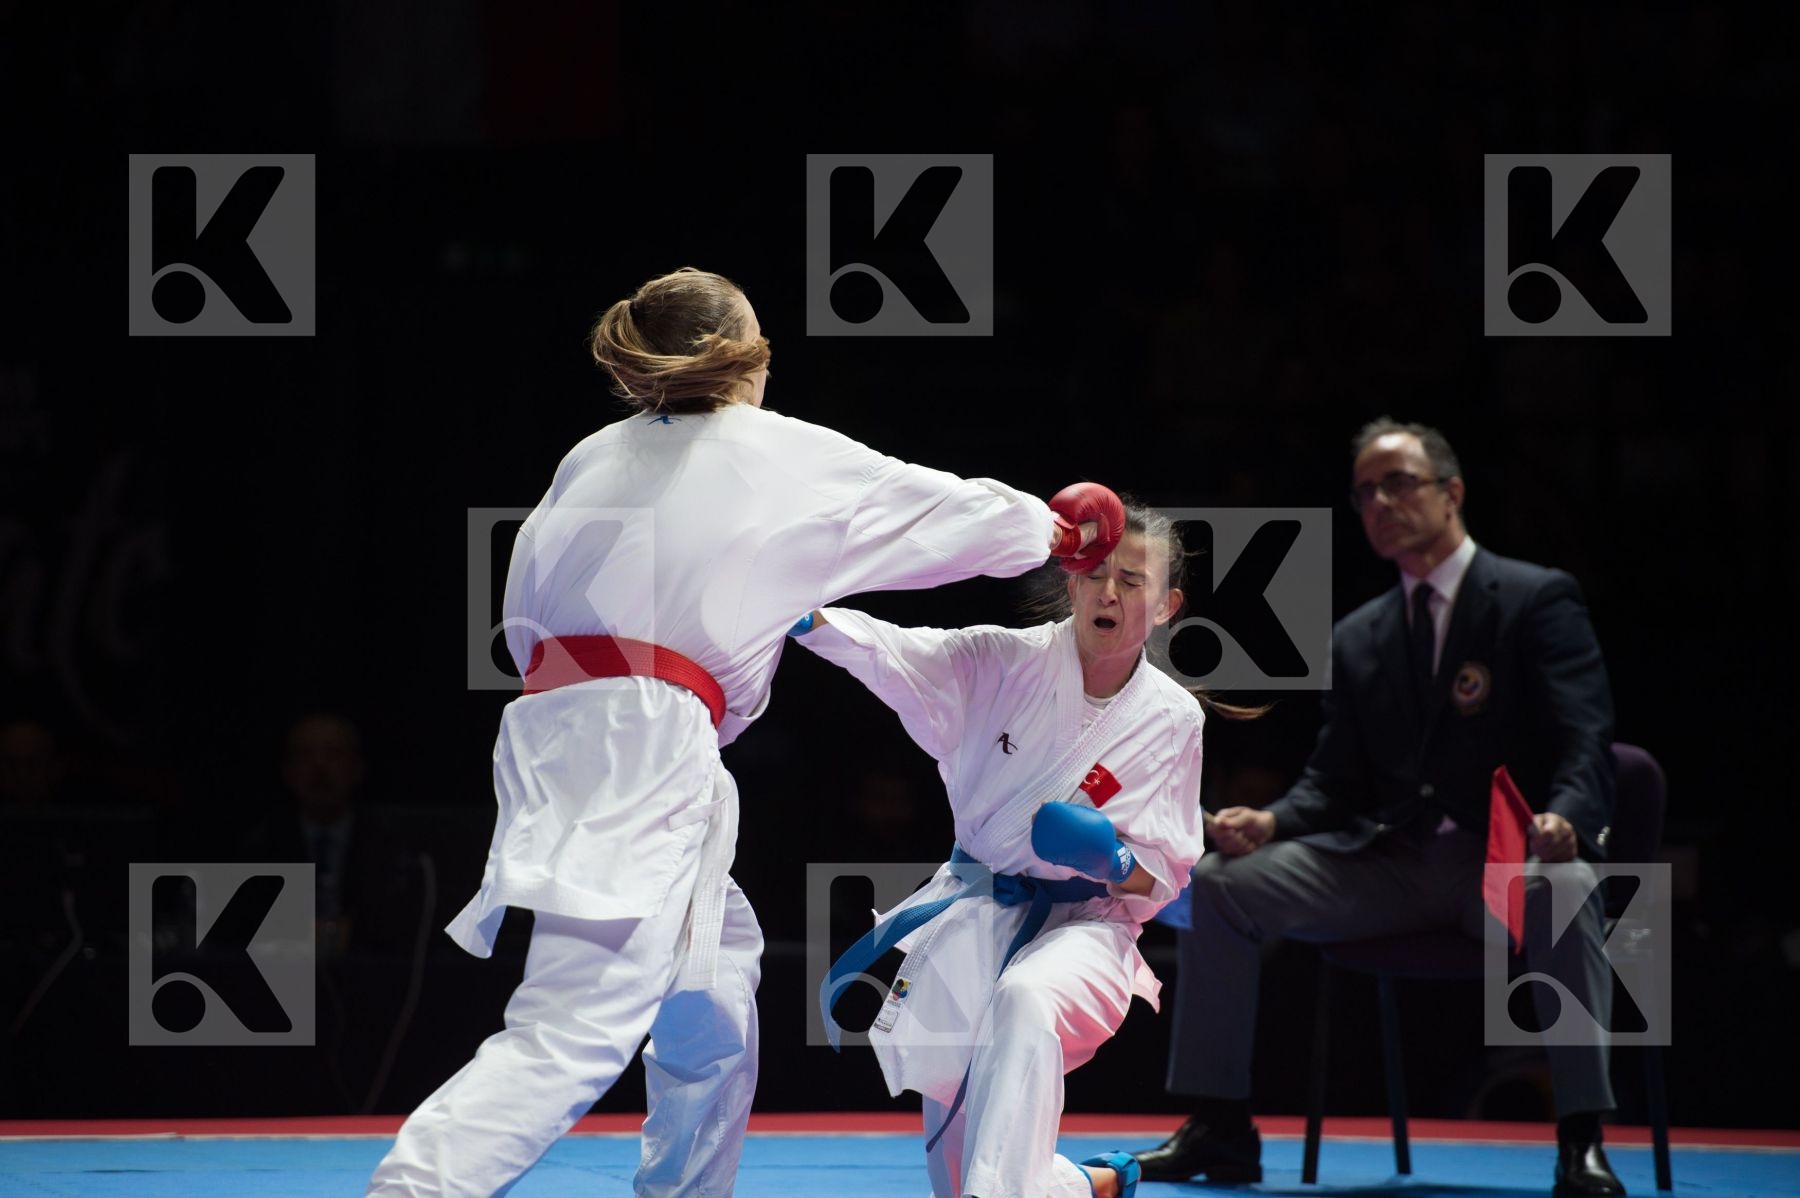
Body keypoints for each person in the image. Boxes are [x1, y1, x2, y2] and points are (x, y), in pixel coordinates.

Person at [365, 266, 1123, 1197]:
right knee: (574, 1026)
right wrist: (1051, 533)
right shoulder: (773, 448)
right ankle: (410, 1190)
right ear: (748, 361)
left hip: (564, 729)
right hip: (643, 739)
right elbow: (935, 509)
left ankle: (687, 1190)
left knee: (713, 992)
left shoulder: (588, 454)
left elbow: (535, 612)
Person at [1131, 418, 1624, 1198]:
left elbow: (1586, 737)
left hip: (1502, 866)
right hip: (1387, 864)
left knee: (1565, 891)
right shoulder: (1361, 634)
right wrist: (1274, 821)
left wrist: (1563, 817)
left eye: (1399, 483)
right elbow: (1332, 782)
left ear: (1451, 492)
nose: (1380, 502)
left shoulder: (1535, 597)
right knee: (1223, 882)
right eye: (1365, 492)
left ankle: (1581, 1141)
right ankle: (1220, 1126)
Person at [801, 503, 1243, 1198]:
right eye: (1095, 574)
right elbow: (886, 649)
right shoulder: (999, 662)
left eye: (1133, 580)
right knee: (963, 1167)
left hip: (1091, 930)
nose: (1109, 593)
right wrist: (797, 614)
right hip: (975, 909)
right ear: (1070, 584)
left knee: (1028, 996)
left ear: (1166, 606)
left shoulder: (1172, 717)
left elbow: (1169, 873)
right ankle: (1093, 1183)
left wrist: (1115, 863)